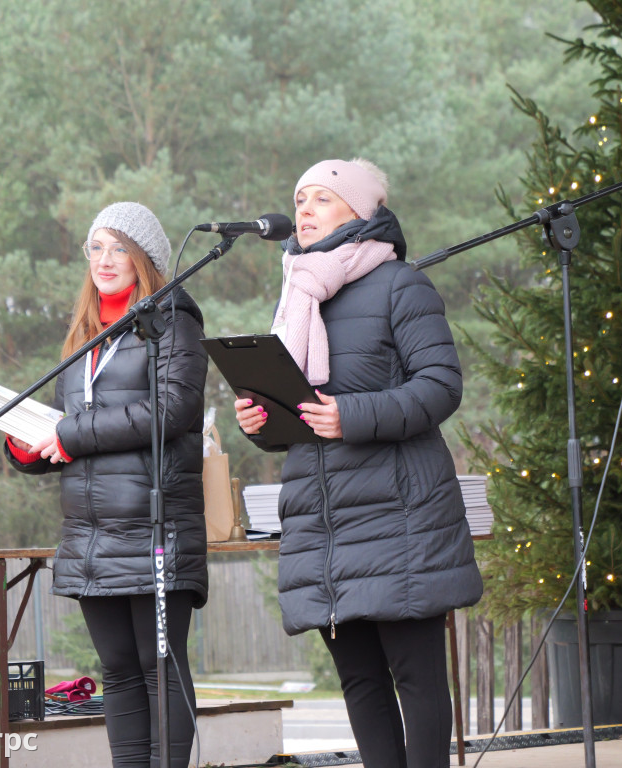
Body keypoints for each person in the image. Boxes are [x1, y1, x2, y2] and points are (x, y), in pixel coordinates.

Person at [235, 159, 483, 767]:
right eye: (301, 200)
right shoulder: (298, 293)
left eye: (323, 198)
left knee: (417, 683)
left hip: (399, 521)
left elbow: (441, 387)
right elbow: (302, 410)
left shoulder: (402, 284)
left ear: (362, 212)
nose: (306, 210)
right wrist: (262, 424)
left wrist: (353, 415)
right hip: (324, 525)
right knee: (361, 685)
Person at [5, 202, 208, 768]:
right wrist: (29, 445)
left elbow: (174, 407)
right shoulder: (85, 334)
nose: (105, 260)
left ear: (145, 258)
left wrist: (73, 434)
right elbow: (73, 430)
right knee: (117, 671)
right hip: (90, 532)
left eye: (119, 247)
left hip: (152, 522)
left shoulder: (174, 317)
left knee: (159, 667)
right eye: (96, 248)